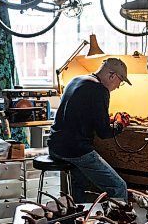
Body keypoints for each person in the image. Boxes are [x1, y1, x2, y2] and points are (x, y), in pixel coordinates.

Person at [48, 57, 131, 203]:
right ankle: (119, 223)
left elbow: (81, 115)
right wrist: (120, 124)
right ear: (111, 75)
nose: (118, 86)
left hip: (55, 146)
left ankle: (78, 218)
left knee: (81, 183)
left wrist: (108, 119)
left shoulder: (76, 80)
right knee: (119, 187)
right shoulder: (100, 90)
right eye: (120, 81)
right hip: (74, 151)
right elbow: (104, 132)